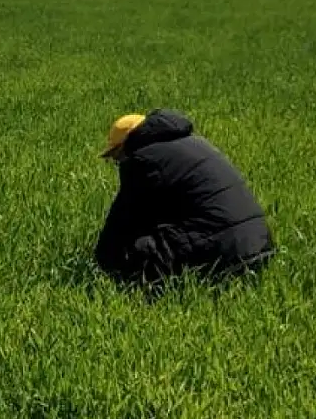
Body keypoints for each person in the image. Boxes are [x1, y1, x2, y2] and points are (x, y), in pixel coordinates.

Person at [93, 108, 274, 286]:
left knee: (135, 254)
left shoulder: (143, 161)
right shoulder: (196, 143)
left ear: (127, 145)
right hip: (261, 246)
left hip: (228, 255)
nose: (118, 163)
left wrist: (104, 263)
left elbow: (121, 224)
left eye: (117, 157)